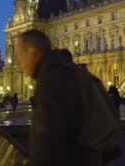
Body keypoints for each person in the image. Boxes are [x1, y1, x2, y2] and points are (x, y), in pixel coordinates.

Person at [16, 29, 102, 165]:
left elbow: (49, 139)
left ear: (33, 52)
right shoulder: (65, 70)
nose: (18, 63)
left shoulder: (52, 79)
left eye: (20, 55)